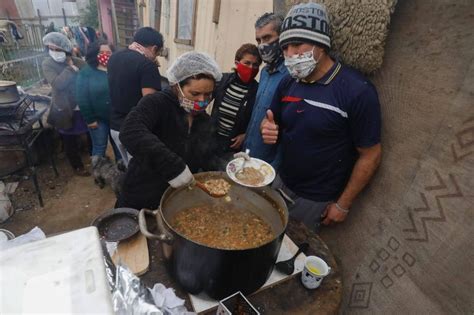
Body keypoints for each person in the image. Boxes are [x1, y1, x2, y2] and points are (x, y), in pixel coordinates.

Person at [261, 2, 382, 233]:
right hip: (281, 181)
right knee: (263, 233)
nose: (290, 55)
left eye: (297, 45)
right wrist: (266, 128)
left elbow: (371, 155)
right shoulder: (288, 83)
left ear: (322, 44)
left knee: (292, 251)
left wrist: (343, 204)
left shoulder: (357, 91)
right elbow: (270, 121)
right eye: (285, 47)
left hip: (315, 199)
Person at [116, 52, 223, 210]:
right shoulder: (156, 103)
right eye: (195, 94)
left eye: (208, 94)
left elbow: (208, 155)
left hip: (177, 200)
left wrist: (233, 164)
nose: (202, 101)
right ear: (177, 86)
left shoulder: (204, 120)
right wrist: (172, 166)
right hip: (141, 195)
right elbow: (130, 131)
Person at [107, 27, 163, 167]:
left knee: (130, 168)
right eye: (158, 53)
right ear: (154, 48)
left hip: (115, 126)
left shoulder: (114, 57)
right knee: (142, 172)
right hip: (136, 130)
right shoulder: (147, 66)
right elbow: (150, 103)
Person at [42, 32, 90, 176]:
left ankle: (96, 159)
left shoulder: (77, 61)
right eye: (51, 49)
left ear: (66, 50)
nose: (54, 52)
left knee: (89, 132)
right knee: (69, 137)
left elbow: (89, 73)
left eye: (58, 49)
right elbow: (58, 84)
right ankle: (77, 166)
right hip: (64, 107)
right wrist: (70, 69)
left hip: (82, 106)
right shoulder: (47, 64)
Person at [243, 13, 288, 167]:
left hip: (269, 165)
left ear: (283, 38)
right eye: (258, 40)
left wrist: (276, 167)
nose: (262, 45)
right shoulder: (264, 72)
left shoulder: (291, 77)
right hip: (249, 154)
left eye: (267, 38)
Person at [211, 43, 261, 160]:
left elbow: (257, 120)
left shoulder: (258, 90)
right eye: (247, 63)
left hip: (233, 145)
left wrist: (245, 135)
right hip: (212, 138)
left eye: (255, 65)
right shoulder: (222, 80)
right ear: (237, 63)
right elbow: (203, 101)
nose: (251, 68)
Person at [75, 40, 122, 166]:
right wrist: (90, 119)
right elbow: (82, 98)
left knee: (119, 146)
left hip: (116, 117)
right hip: (98, 119)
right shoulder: (86, 72)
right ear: (94, 54)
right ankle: (98, 174)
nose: (105, 55)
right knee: (100, 147)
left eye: (108, 52)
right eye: (101, 52)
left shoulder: (117, 70)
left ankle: (122, 171)